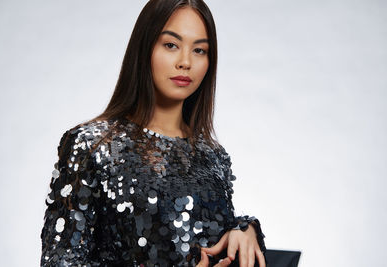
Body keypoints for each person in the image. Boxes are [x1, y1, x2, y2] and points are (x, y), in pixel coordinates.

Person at [40, 0, 267, 266]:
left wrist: (244, 231)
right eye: (171, 45)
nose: (185, 62)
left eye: (200, 50)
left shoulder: (212, 155)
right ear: (145, 47)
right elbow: (61, 262)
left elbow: (215, 246)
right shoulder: (91, 145)